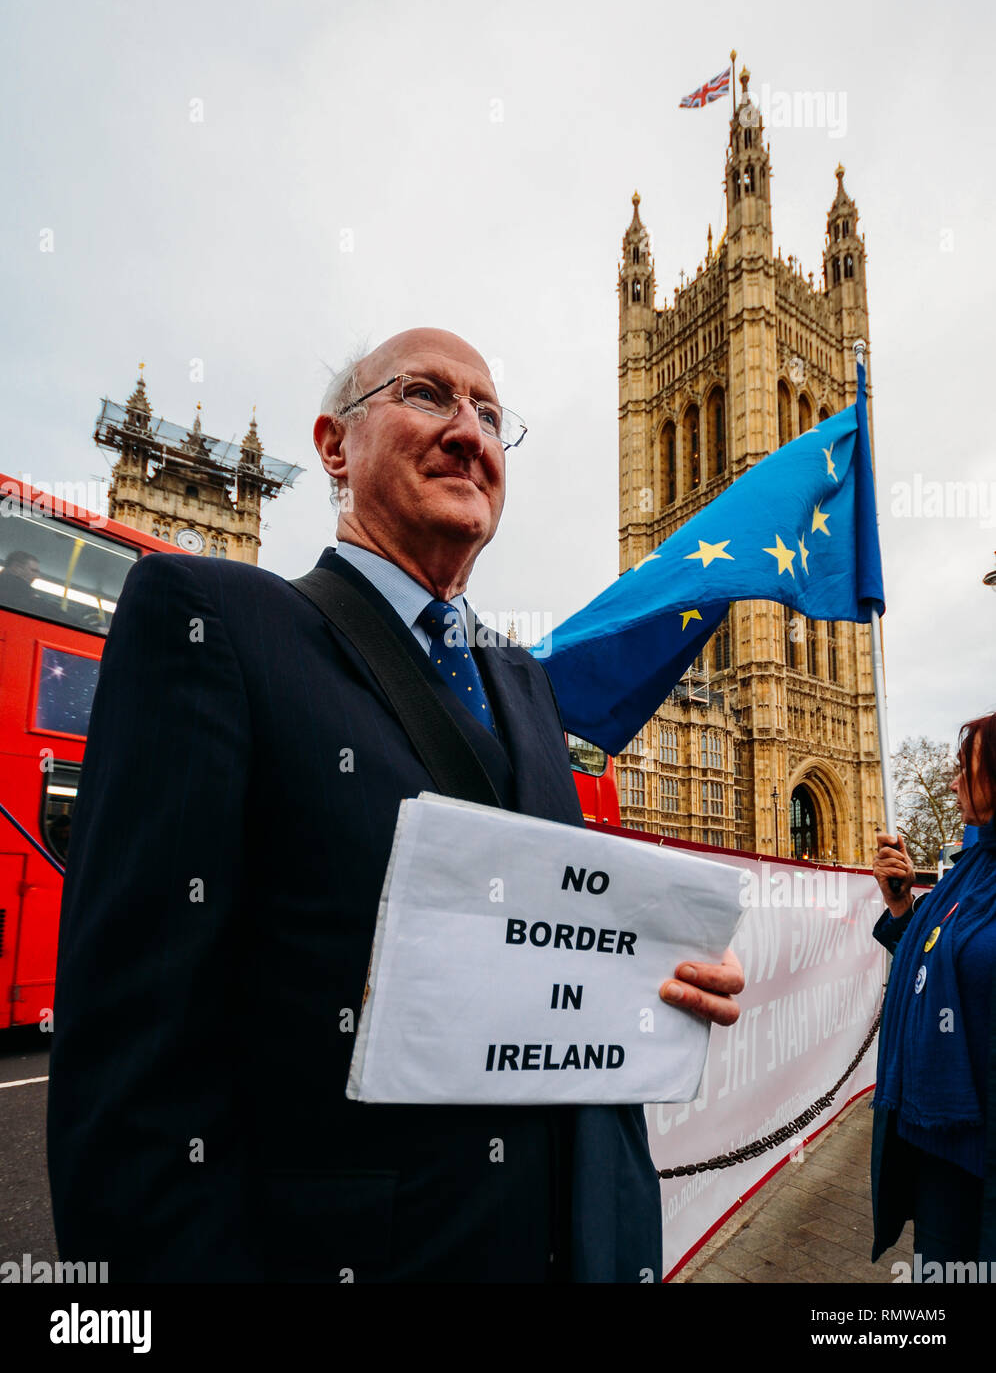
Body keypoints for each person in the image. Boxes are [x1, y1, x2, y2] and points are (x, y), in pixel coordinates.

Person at [48, 327, 744, 1283]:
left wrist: (656, 972)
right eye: (427, 395)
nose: (470, 432)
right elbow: (132, 1089)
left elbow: (549, 950)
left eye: (492, 415)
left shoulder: (526, 690)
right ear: (336, 445)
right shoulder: (213, 622)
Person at [870, 710, 996, 1270]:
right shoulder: (973, 867)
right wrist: (903, 906)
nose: (951, 783)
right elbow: (943, 958)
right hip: (937, 1138)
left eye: (965, 769)